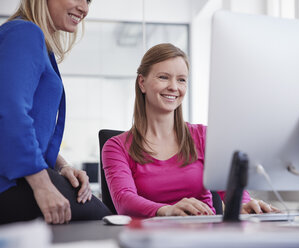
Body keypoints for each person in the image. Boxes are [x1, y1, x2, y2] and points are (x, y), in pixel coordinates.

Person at [102, 43, 279, 218]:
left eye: (181, 79)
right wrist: (167, 210)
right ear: (142, 82)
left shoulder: (203, 136)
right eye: (163, 77)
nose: (174, 87)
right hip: (150, 239)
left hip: (204, 235)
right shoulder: (116, 147)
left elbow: (230, 189)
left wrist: (244, 205)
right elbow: (124, 201)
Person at [0, 0, 111, 225]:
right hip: (8, 181)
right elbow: (10, 113)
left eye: (88, 1)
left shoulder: (35, 40)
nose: (84, 8)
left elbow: (31, 124)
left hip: (18, 175)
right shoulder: (25, 32)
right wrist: (43, 186)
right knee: (103, 221)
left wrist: (63, 166)